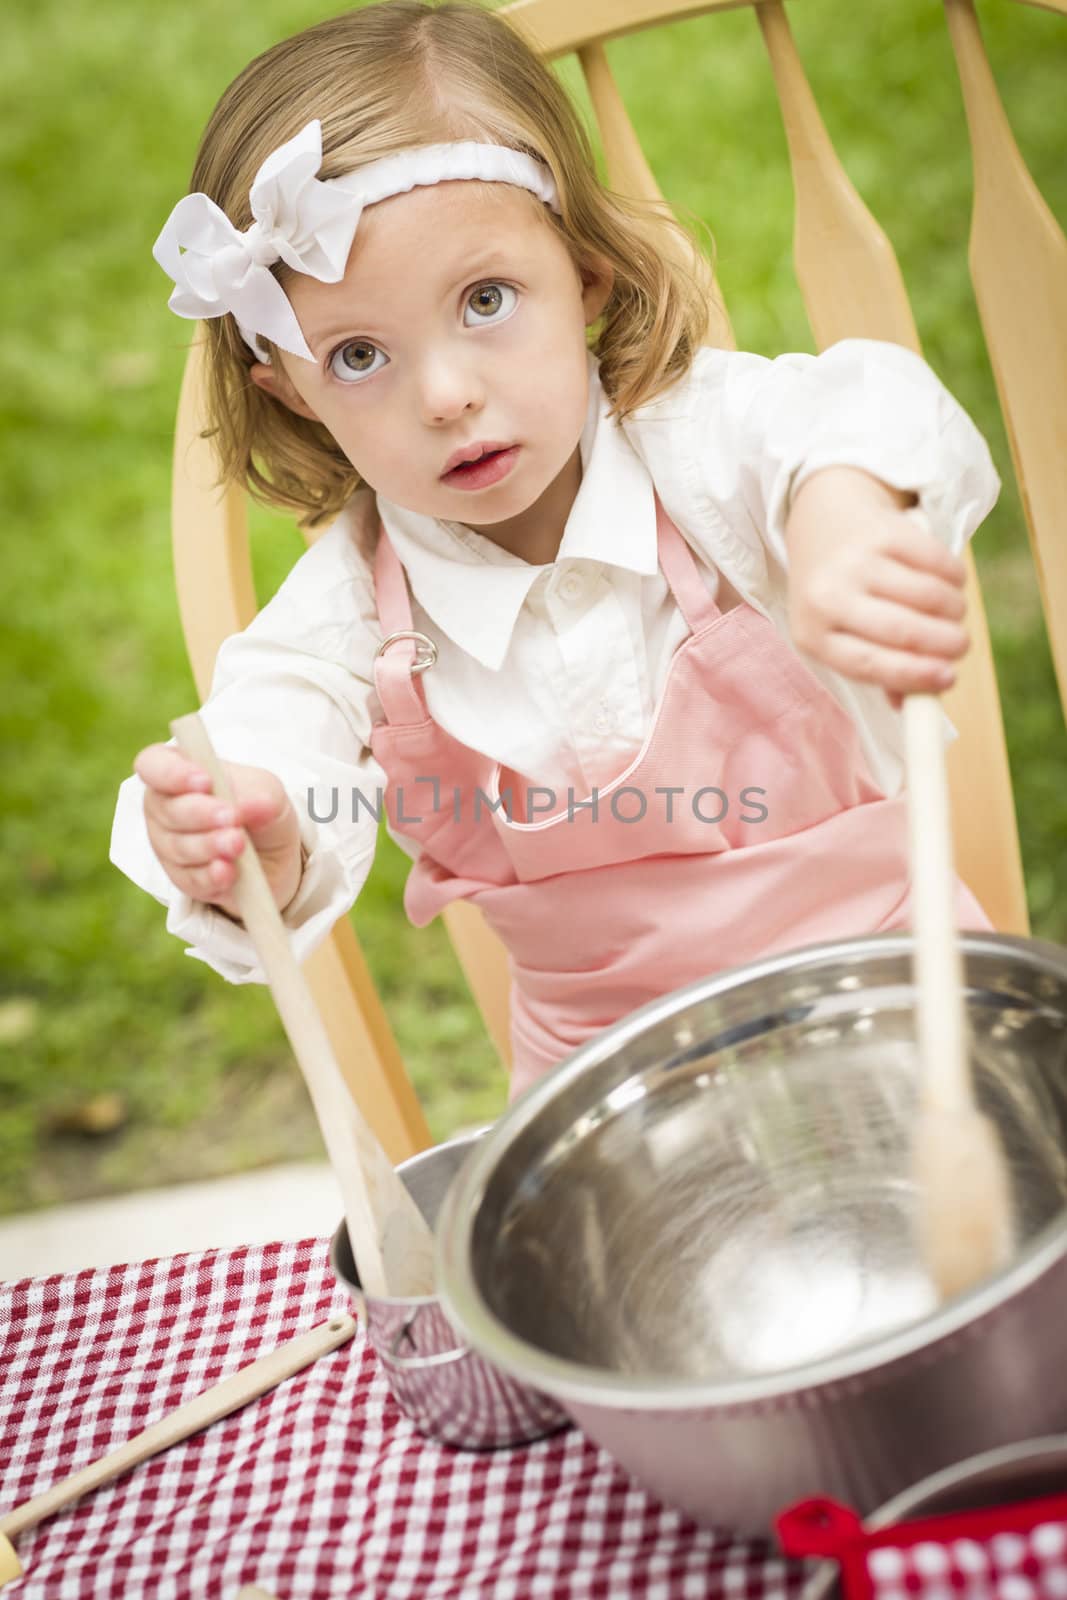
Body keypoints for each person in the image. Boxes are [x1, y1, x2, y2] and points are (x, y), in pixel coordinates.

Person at [111, 0, 998, 1098]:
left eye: (484, 300)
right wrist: (261, 835)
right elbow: (273, 737)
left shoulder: (698, 451)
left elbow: (857, 409)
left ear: (582, 275)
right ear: (288, 391)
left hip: (902, 1003)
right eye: (356, 356)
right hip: (614, 1099)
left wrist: (839, 513)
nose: (444, 395)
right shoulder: (348, 615)